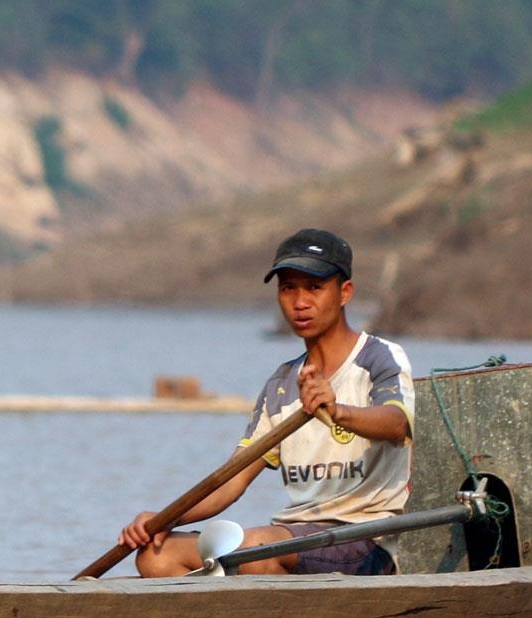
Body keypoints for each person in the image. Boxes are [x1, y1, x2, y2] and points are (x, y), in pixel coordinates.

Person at [118, 228, 414, 577]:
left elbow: (397, 424)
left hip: (365, 539)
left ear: (344, 292)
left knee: (256, 549)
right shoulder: (281, 385)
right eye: (288, 287)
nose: (300, 302)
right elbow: (232, 480)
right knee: (156, 556)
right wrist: (164, 518)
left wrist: (337, 412)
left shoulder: (380, 358)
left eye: (315, 288)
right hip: (296, 535)